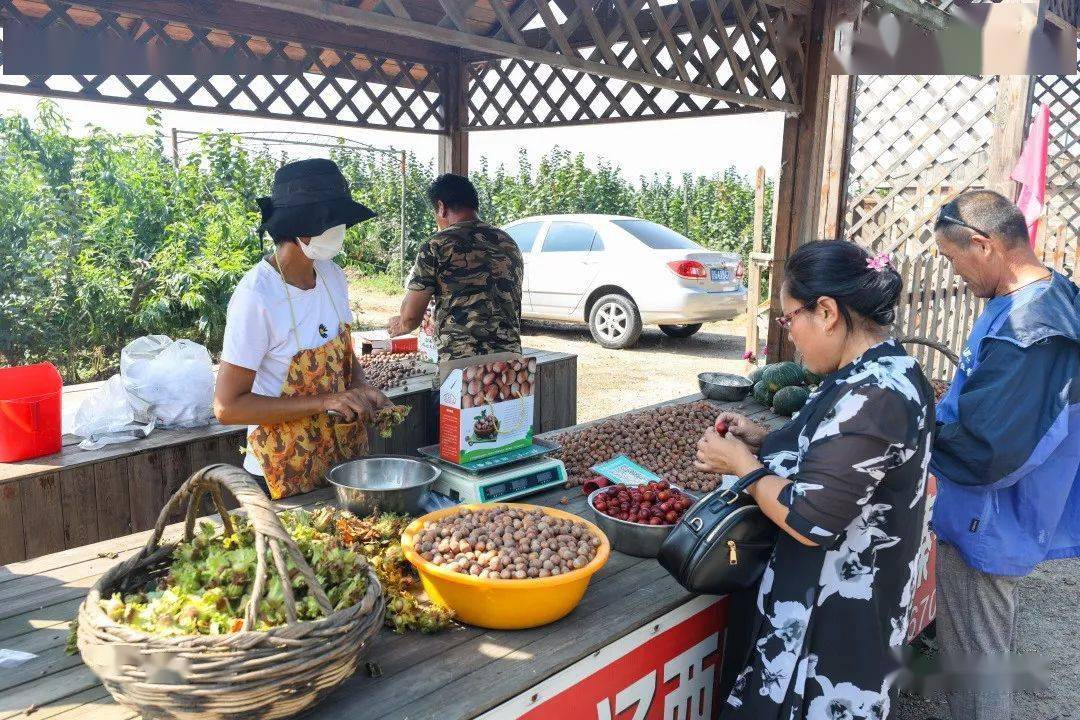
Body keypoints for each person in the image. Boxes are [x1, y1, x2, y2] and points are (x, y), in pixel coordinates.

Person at [693, 240, 935, 720]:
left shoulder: (876, 395)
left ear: (826, 311)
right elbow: (838, 456)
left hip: (833, 623)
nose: (788, 334)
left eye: (789, 319)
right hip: (832, 602)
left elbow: (811, 519)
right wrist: (763, 440)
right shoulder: (880, 367)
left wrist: (745, 467)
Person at [929, 190, 1080, 720]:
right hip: (1000, 512)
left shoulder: (1033, 331)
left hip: (990, 516)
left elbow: (989, 451)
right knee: (981, 645)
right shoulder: (1046, 294)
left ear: (982, 243)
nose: (956, 274)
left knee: (976, 658)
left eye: (953, 259)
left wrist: (911, 433)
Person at [214, 159, 390, 500]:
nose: (340, 229)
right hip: (282, 472)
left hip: (342, 462)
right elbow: (227, 407)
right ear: (300, 228)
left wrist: (360, 388)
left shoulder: (332, 275)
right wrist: (326, 401)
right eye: (331, 221)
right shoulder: (257, 296)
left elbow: (343, 353)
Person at [388, 173, 523, 361]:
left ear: (441, 207)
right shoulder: (508, 243)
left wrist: (399, 325)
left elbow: (411, 318)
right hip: (512, 364)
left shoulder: (436, 246)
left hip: (462, 365)